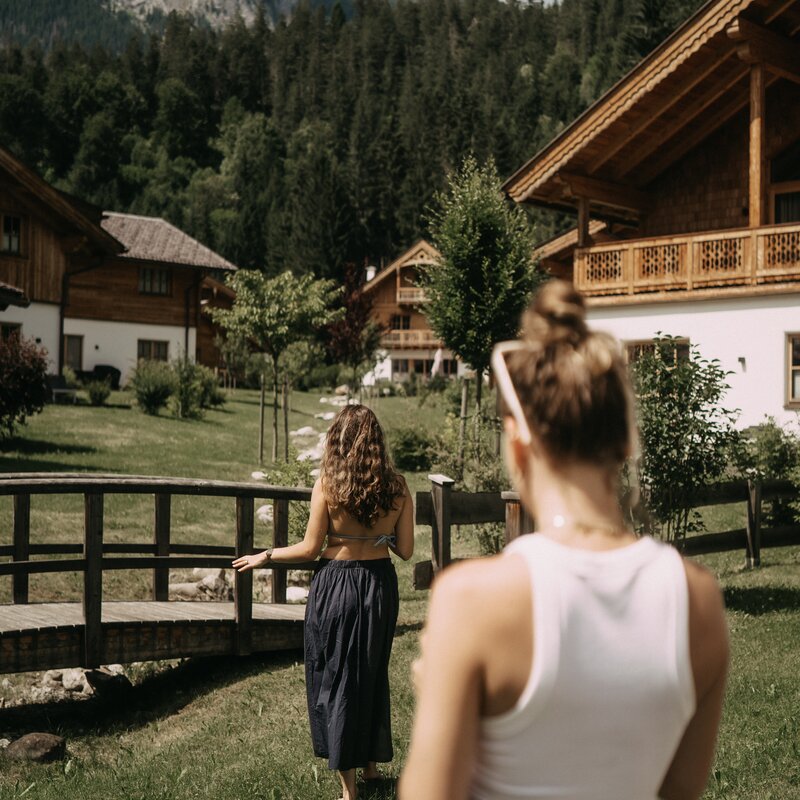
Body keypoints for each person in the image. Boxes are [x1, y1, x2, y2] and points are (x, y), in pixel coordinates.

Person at [399, 280, 729, 800]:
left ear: (518, 440)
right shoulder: (700, 603)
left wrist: (435, 693)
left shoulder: (472, 601)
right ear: (623, 440)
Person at [234, 403, 413, 800]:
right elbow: (406, 551)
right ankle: (370, 769)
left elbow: (310, 549)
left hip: (337, 587)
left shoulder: (329, 486)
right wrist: (379, 537)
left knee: (337, 678)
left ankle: (349, 791)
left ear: (339, 441)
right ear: (376, 442)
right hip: (379, 587)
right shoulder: (398, 487)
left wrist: (267, 555)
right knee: (370, 672)